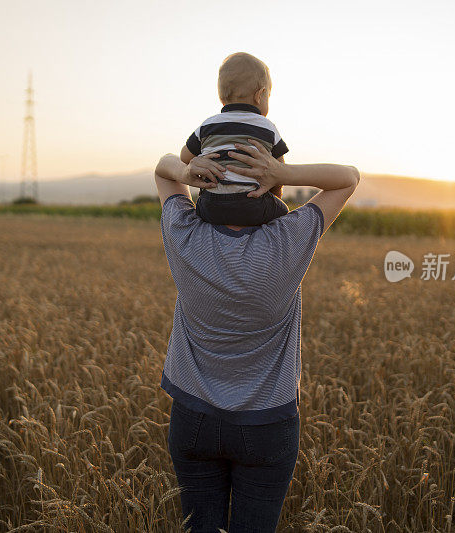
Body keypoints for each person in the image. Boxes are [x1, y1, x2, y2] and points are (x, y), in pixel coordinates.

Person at [154, 139, 360, 532]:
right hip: (267, 423)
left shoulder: (185, 233)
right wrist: (283, 172)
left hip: (193, 416)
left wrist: (185, 170)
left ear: (207, 187)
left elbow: (163, 170)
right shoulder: (289, 238)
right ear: (272, 188)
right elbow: (348, 179)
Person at [181, 52, 290, 227]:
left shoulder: (208, 125)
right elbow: (279, 171)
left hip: (209, 207)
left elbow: (185, 156)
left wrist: (202, 160)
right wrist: (274, 198)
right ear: (260, 95)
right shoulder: (267, 127)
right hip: (252, 206)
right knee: (283, 212)